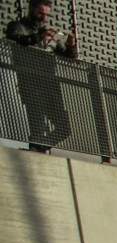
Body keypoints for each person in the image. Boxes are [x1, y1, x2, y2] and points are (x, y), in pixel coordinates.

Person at [6, 0, 78, 154]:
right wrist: (38, 37)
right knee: (38, 126)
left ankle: (38, 149)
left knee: (64, 128)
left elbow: (69, 57)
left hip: (51, 84)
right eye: (40, 13)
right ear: (31, 9)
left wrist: (71, 46)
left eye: (46, 15)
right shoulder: (18, 26)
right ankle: (36, 149)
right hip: (30, 82)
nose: (42, 18)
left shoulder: (48, 34)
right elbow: (16, 39)